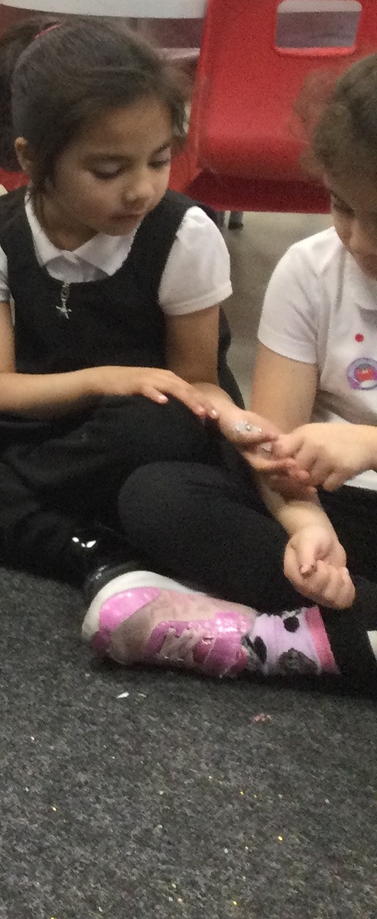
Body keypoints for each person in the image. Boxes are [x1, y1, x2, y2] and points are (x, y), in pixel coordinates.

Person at [0, 19, 233, 591]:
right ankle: (74, 542)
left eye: (159, 161)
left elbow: (195, 387)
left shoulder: (184, 234)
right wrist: (106, 378)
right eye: (108, 170)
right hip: (39, 422)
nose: (141, 189)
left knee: (164, 427)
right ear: (31, 159)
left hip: (128, 438)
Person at [88, 54, 377, 687]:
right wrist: (309, 528)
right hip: (340, 512)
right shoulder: (311, 270)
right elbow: (277, 448)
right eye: (343, 207)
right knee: (157, 493)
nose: (359, 241)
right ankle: (342, 634)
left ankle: (276, 641)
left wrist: (367, 444)